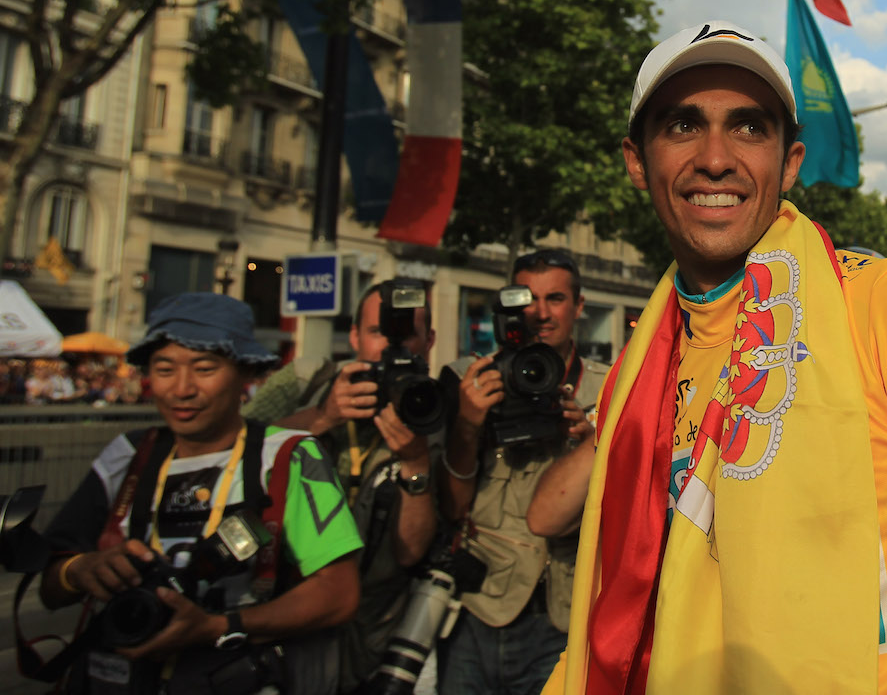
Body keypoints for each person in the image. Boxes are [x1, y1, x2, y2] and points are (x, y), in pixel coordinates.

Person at [534, 21, 887, 695]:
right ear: (637, 161)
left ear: (789, 163)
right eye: (681, 126)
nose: (715, 158)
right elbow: (615, 610)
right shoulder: (639, 370)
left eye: (748, 128)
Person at [40, 293, 363, 694]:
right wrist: (82, 570)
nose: (182, 389)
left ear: (245, 371)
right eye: (164, 369)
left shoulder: (290, 458)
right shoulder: (126, 456)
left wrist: (217, 627)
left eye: (205, 368)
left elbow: (338, 594)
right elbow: (51, 585)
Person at [240, 279, 440, 692]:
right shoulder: (304, 379)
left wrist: (416, 461)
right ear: (353, 336)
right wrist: (321, 417)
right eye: (378, 332)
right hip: (286, 612)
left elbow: (411, 552)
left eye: (407, 335)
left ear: (430, 341)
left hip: (376, 627)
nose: (391, 347)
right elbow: (235, 443)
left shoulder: (436, 408)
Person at [437, 250, 608, 695]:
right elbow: (452, 506)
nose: (540, 313)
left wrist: (591, 442)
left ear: (579, 306)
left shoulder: (609, 389)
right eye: (527, 299)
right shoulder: (472, 381)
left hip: (565, 613)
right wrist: (467, 425)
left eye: (555, 299)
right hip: (481, 607)